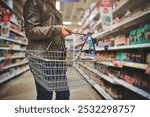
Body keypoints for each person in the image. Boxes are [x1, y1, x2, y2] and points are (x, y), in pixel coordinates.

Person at [23, 0, 72, 100]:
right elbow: (30, 31)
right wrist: (57, 30)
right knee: (45, 97)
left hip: (56, 58)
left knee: (64, 94)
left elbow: (54, 32)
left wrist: (61, 35)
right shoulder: (34, 2)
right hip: (41, 58)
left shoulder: (53, 7)